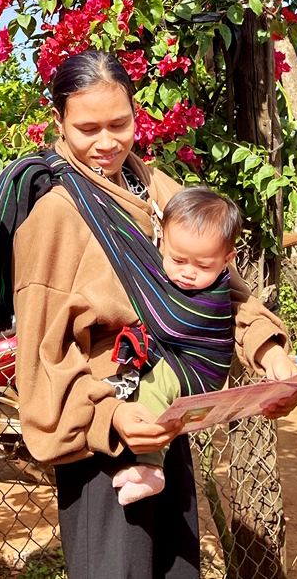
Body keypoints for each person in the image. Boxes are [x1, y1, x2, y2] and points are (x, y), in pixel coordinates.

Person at [0, 50, 297, 579]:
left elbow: (226, 293)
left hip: (166, 420)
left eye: (119, 124)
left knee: (176, 567)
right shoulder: (55, 211)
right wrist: (110, 416)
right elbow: (43, 352)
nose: (106, 142)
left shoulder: (156, 189)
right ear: (57, 121)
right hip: (102, 433)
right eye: (87, 128)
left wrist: (271, 354)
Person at [113, 186, 243, 505]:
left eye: (202, 266)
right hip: (183, 357)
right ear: (161, 244)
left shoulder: (214, 294)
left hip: (200, 368)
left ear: (228, 260)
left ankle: (151, 470)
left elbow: (176, 324)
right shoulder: (170, 274)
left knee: (153, 389)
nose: (187, 273)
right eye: (178, 259)